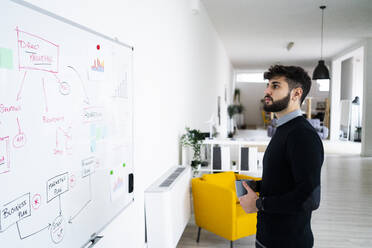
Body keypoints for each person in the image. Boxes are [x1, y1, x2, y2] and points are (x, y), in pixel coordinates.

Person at [239, 65, 324, 248]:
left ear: (296, 93)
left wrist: (259, 204)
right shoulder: (284, 129)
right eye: (268, 85)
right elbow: (287, 180)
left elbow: (310, 198)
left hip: (288, 241)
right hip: (268, 235)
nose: (267, 91)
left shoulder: (302, 135)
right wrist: (257, 185)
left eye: (275, 86)